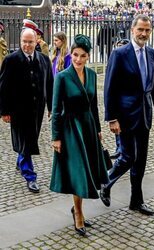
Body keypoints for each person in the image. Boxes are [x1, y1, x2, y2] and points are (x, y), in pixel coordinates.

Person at [101, 14, 154, 216]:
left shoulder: (153, 54)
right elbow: (109, 88)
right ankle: (105, 183)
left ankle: (136, 201)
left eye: (147, 30)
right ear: (132, 30)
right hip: (125, 115)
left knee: (141, 160)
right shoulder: (119, 54)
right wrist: (112, 118)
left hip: (145, 114)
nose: (144, 34)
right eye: (140, 30)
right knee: (128, 157)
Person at [50, 34, 109, 236]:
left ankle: (77, 208)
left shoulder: (92, 75)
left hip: (88, 127)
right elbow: (56, 109)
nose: (77, 59)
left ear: (88, 56)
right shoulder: (62, 77)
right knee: (79, 172)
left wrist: (98, 129)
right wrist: (56, 137)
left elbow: (93, 106)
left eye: (82, 56)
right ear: (71, 54)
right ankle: (79, 214)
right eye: (75, 55)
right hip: (70, 129)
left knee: (88, 169)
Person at [0, 28, 53, 193]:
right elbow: (3, 87)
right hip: (18, 111)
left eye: (30, 42)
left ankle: (20, 160)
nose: (27, 45)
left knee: (30, 139)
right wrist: (4, 111)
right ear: (21, 41)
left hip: (37, 110)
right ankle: (30, 176)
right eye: (24, 42)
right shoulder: (11, 60)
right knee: (26, 141)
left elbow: (50, 85)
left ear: (36, 41)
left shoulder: (44, 60)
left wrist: (52, 107)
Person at [110, 38, 130, 160]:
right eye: (118, 46)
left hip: (127, 102)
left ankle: (124, 150)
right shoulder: (115, 60)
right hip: (117, 101)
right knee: (117, 128)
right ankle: (119, 148)